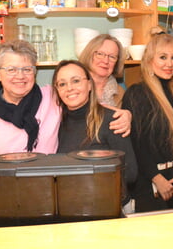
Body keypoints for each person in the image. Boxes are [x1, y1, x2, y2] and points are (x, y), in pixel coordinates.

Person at [0, 40, 131, 225]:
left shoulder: (51, 98)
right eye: (11, 69)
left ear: (35, 73)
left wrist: (123, 114)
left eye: (27, 69)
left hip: (53, 204)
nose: (20, 76)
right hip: (5, 205)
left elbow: (83, 101)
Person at [121, 30, 173, 212]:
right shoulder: (136, 94)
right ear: (149, 60)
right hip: (149, 184)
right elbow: (135, 144)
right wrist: (156, 178)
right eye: (162, 57)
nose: (169, 64)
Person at [53, 60, 138, 211]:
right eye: (62, 84)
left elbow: (130, 173)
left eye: (76, 81)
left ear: (89, 85)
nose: (69, 88)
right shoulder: (56, 124)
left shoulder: (112, 120)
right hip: (70, 209)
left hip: (108, 207)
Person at [79, 34, 125, 107]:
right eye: (100, 54)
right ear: (89, 55)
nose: (106, 61)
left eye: (112, 57)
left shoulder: (121, 92)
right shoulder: (74, 86)